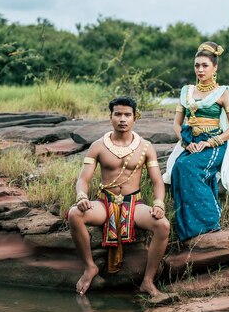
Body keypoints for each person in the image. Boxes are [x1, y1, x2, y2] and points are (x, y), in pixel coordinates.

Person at [67, 96, 170, 298]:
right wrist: (81, 196)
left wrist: (159, 204)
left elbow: (158, 182)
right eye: (118, 114)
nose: (122, 119)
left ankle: (147, 281)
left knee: (163, 225)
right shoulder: (98, 146)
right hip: (104, 203)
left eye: (127, 115)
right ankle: (90, 267)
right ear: (111, 116)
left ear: (135, 117)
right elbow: (83, 179)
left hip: (133, 204)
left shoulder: (146, 147)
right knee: (74, 214)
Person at [163, 41, 229, 241]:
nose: (200, 70)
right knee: (178, 168)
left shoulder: (223, 93)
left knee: (187, 166)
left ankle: (210, 223)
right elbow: (177, 125)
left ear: (215, 67)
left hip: (214, 144)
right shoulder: (186, 91)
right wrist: (186, 143)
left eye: (205, 65)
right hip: (192, 141)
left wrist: (211, 142)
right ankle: (187, 231)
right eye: (197, 66)